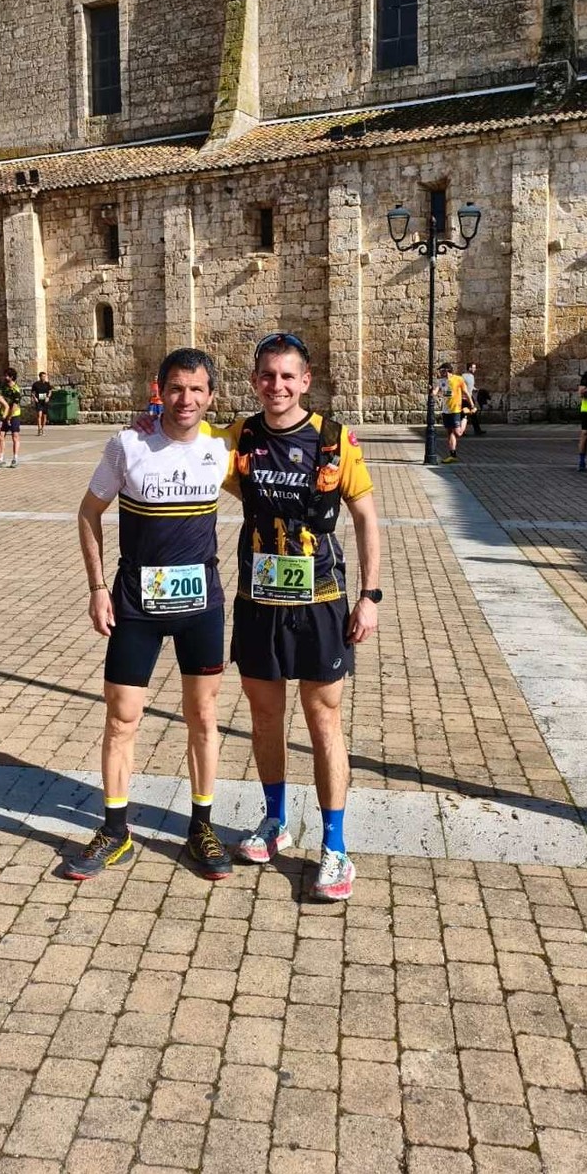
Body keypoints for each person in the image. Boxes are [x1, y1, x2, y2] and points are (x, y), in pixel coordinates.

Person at [65, 347, 233, 882]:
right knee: (122, 718)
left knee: (203, 717)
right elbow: (89, 513)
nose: (186, 399)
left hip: (200, 606)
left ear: (211, 396)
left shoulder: (222, 447)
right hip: (136, 605)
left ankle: (201, 826)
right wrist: (96, 587)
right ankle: (116, 831)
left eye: (197, 389)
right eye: (176, 388)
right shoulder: (128, 444)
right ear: (158, 390)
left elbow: (282, 446)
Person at [227, 332, 381, 902]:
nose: (277, 386)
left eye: (287, 376)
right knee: (265, 719)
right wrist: (151, 424)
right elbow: (184, 443)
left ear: (306, 381)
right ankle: (275, 822)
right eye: (267, 376)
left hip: (320, 604)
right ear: (255, 381)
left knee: (323, 721)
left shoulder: (336, 441)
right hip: (258, 603)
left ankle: (335, 847)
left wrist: (370, 596)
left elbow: (366, 518)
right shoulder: (239, 437)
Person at [436, 362, 475, 464]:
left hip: (456, 410)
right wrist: (432, 392)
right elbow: (436, 392)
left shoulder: (458, 379)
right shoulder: (441, 381)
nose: (440, 372)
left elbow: (466, 393)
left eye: (442, 370)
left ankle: (465, 416)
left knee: (458, 433)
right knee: (450, 433)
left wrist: (472, 406)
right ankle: (452, 455)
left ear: (447, 371)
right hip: (446, 411)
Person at [1, 369, 23, 467]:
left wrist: (9, 417)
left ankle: (15, 458)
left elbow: (15, 405)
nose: (5, 377)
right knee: (0, 436)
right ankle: (1, 457)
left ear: (12, 377)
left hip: (14, 415)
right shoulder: (3, 388)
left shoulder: (16, 389)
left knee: (15, 436)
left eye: (7, 376)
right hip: (3, 414)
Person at [462, 362, 485, 435]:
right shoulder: (463, 376)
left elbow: (471, 386)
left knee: (472, 414)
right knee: (464, 414)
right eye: (473, 367)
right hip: (464, 398)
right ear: (469, 368)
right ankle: (463, 430)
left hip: (470, 397)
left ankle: (477, 430)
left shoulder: (472, 376)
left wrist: (476, 389)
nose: (475, 369)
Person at [31, 371, 52, 437]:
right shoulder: (36, 384)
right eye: (43, 376)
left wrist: (48, 397)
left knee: (44, 416)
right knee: (39, 415)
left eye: (45, 376)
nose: (44, 377)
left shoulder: (47, 384)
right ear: (40, 377)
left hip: (45, 401)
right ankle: (39, 429)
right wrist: (35, 398)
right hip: (39, 401)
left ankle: (42, 429)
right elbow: (33, 392)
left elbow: (50, 391)